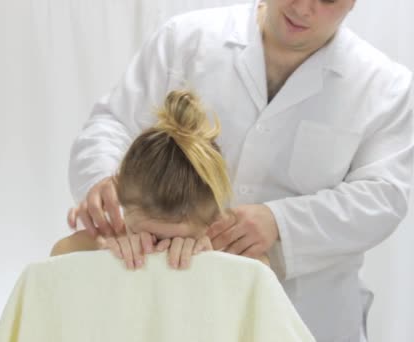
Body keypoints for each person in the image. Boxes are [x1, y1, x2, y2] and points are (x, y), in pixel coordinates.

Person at [66, 0, 414, 341]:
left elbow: (383, 196)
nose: (304, 8)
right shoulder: (186, 40)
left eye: (328, 0)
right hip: (179, 302)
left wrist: (280, 222)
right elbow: (113, 123)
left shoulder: (386, 87)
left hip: (309, 314)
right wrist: (103, 178)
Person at [53, 90, 270, 267]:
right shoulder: (108, 242)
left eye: (176, 240)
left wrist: (212, 260)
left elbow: (262, 271)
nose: (158, 250)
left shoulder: (226, 254)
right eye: (147, 236)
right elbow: (57, 257)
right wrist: (103, 252)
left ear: (214, 222)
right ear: (123, 208)